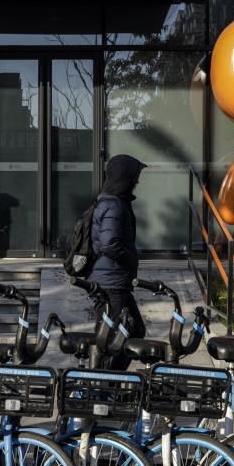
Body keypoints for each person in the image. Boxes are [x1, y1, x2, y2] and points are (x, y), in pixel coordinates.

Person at [88, 154, 147, 370]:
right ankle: (100, 391)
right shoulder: (113, 205)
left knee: (136, 330)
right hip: (110, 283)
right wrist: (132, 260)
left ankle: (111, 381)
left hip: (115, 282)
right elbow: (109, 243)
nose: (137, 182)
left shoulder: (113, 202)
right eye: (135, 177)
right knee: (108, 340)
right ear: (125, 178)